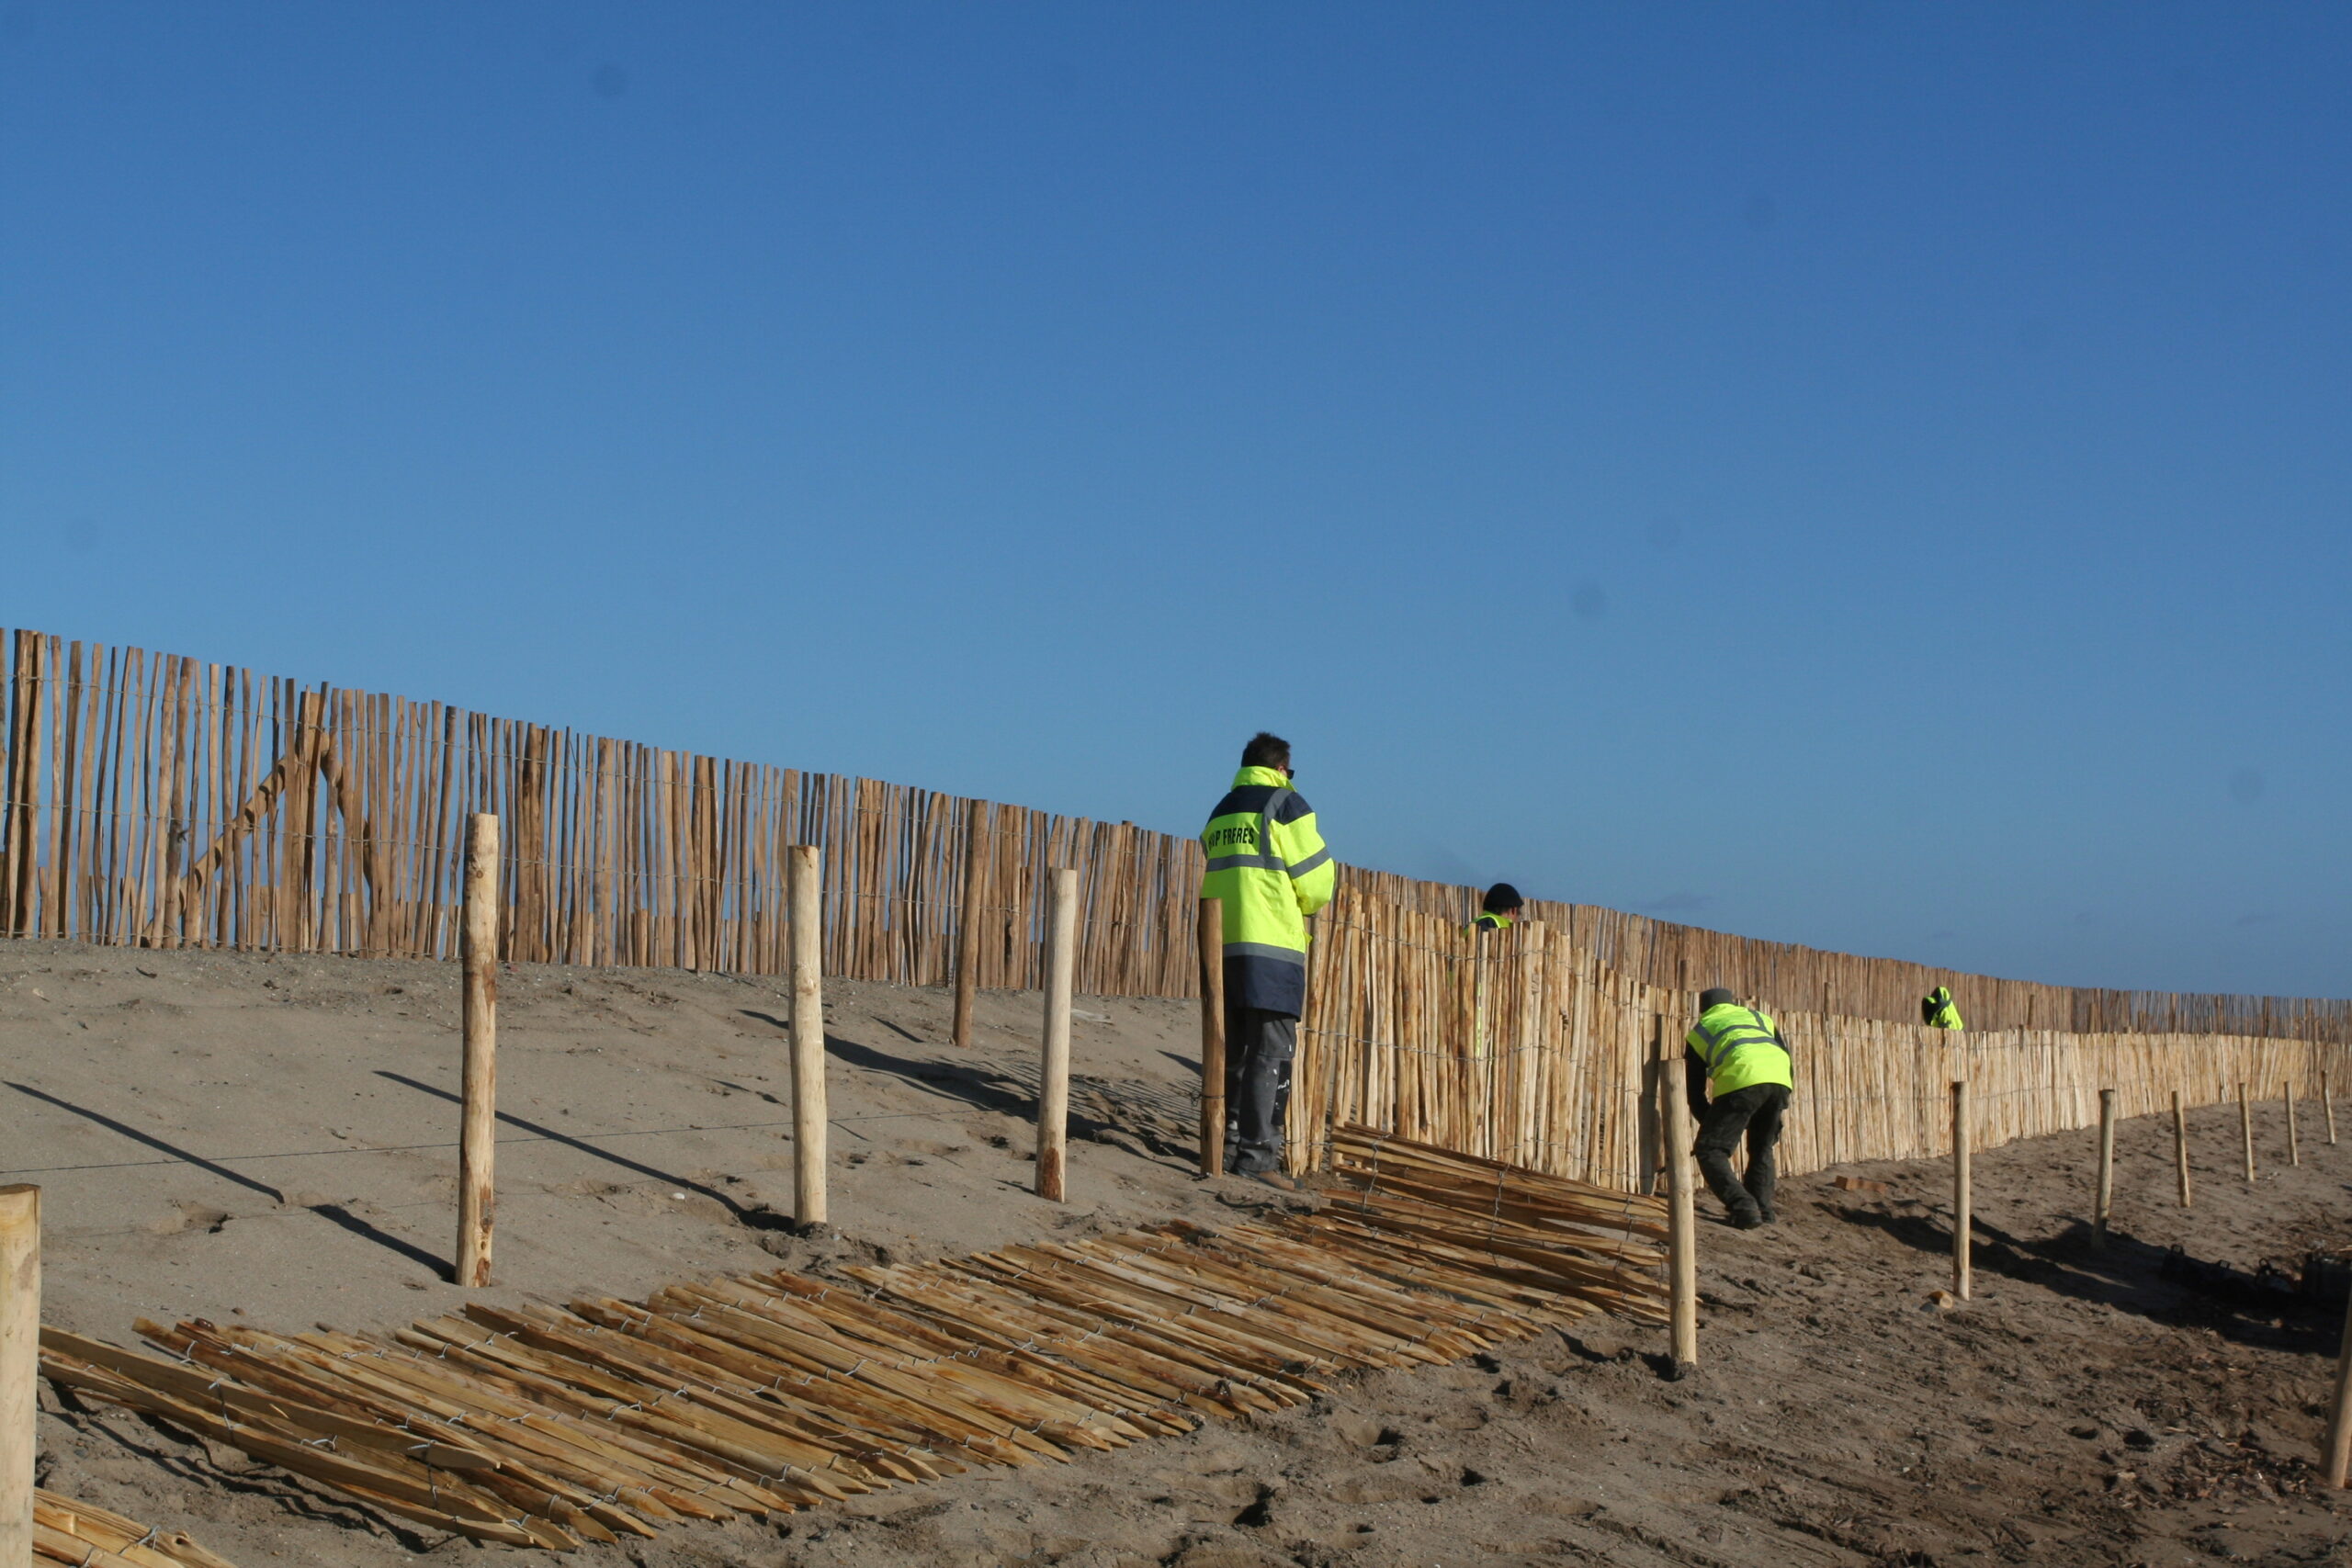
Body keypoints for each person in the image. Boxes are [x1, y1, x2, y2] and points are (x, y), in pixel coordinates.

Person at [1201, 731, 1336, 1186]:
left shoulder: (1222, 809)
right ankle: (1258, 1159)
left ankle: (1226, 1142)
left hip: (1223, 944)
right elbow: (1316, 885)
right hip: (1271, 947)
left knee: (1233, 1051)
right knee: (1271, 1054)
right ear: (1281, 768)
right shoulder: (1285, 805)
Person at [1684, 987, 1793, 1230]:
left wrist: (1711, 1126)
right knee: (1762, 1147)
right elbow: (1785, 1054)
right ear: (1732, 1003)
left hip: (1741, 1079)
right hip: (1779, 1079)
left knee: (1709, 1150)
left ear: (1703, 1010)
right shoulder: (1759, 1017)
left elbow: (1695, 1092)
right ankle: (1764, 1211)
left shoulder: (1701, 1031)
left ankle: (1743, 1207)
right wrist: (1785, 1096)